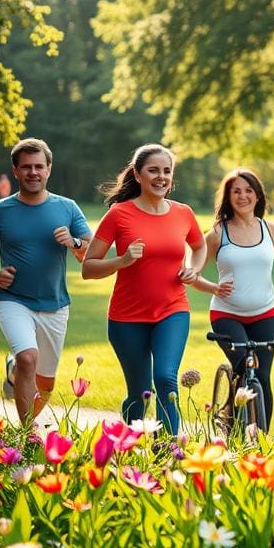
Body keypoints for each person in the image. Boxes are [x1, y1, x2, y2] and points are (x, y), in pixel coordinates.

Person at [81, 144, 206, 434]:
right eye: (153, 170)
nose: (161, 177)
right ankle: (131, 445)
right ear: (137, 175)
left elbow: (199, 247)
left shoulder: (183, 213)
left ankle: (170, 451)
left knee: (165, 379)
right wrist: (122, 260)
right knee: (139, 394)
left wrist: (194, 267)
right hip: (127, 319)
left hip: (172, 310)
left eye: (167, 171)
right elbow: (88, 268)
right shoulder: (119, 214)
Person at [0, 138, 92, 423]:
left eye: (39, 166)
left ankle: (15, 375)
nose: (33, 172)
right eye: (26, 167)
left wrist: (73, 241)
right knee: (28, 358)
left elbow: (89, 252)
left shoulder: (68, 207)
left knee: (45, 386)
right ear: (15, 171)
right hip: (13, 299)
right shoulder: (0, 210)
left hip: (55, 304)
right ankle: (26, 435)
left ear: (49, 169)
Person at [192, 168, 274, 431]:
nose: (243, 196)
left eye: (248, 190)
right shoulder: (217, 233)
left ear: (258, 195)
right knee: (243, 368)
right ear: (228, 197)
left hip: (265, 313)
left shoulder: (271, 229)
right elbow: (192, 273)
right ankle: (234, 423)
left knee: (262, 377)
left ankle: (260, 444)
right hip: (226, 315)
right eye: (236, 191)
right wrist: (213, 288)